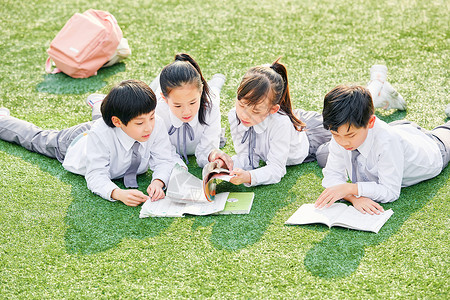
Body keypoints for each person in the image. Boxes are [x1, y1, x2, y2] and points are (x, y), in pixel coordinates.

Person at [0, 80, 184, 206]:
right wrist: (117, 193)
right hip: (76, 141)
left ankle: (100, 103)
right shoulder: (100, 135)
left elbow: (164, 159)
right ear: (118, 122)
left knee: (107, 123)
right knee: (37, 138)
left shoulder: (153, 123)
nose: (149, 127)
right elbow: (95, 175)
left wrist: (159, 182)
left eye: (151, 117)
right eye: (140, 123)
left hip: (110, 126)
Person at [314, 84, 450, 215]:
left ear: (371, 122)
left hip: (433, 147)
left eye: (350, 135)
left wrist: (351, 188)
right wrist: (354, 197)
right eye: (335, 134)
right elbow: (332, 176)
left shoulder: (387, 143)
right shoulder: (344, 131)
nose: (342, 142)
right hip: (399, 131)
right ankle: (380, 92)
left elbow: (390, 192)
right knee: (322, 155)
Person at [222, 58, 332, 186]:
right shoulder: (235, 115)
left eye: (256, 111)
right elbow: (247, 156)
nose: (244, 115)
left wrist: (249, 177)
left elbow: (276, 169)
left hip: (311, 135)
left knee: (343, 131)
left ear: (273, 109)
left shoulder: (281, 123)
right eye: (241, 105)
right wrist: (226, 165)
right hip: (293, 123)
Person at [149, 53, 228, 168]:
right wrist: (179, 167)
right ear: (165, 99)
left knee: (214, 92)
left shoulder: (210, 107)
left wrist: (213, 158)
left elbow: (208, 149)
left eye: (192, 103)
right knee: (150, 89)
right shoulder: (157, 111)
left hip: (206, 94)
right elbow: (162, 152)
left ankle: (215, 84)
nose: (186, 112)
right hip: (160, 92)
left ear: (200, 92)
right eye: (177, 106)